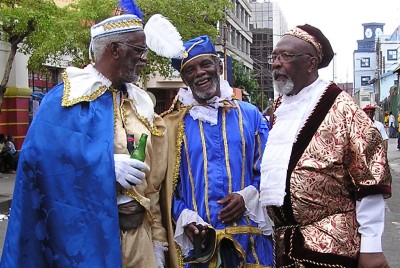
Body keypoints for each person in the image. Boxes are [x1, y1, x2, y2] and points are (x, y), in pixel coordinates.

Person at [0, 13, 169, 267]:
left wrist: (157, 240)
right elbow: (40, 164)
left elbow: (154, 183)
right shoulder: (65, 98)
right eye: (138, 50)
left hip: (139, 243)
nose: (144, 58)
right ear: (115, 49)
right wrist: (104, 166)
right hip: (88, 242)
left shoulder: (141, 104)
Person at [259, 24, 392, 267]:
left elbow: (370, 180)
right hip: (286, 246)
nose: (276, 63)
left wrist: (371, 247)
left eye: (286, 56)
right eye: (274, 56)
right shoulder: (279, 108)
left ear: (311, 63)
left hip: (332, 247)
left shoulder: (343, 108)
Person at [161, 35, 274, 267]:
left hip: (249, 244)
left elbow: (271, 170)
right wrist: (184, 218)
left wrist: (247, 197)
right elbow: (164, 189)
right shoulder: (171, 125)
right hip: (199, 248)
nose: (200, 73)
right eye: (191, 69)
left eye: (205, 64)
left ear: (219, 66)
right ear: (184, 78)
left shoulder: (250, 115)